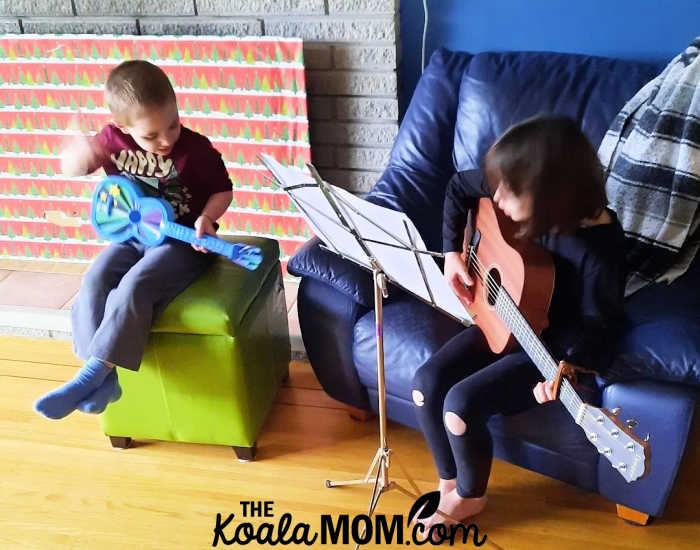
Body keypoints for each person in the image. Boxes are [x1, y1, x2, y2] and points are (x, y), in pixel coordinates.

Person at [411, 115, 626, 536]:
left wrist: (570, 365)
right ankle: (449, 483)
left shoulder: (601, 250)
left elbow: (601, 328)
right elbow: (458, 187)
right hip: (503, 315)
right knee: (425, 384)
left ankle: (471, 497)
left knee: (460, 405)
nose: (499, 197)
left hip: (545, 343)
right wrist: (452, 252)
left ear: (551, 200)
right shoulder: (513, 183)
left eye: (510, 194)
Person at [34, 60, 233, 419]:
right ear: (122, 127)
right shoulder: (111, 141)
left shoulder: (196, 149)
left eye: (172, 124)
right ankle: (103, 379)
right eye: (151, 135)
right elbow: (75, 168)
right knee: (94, 279)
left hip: (185, 242)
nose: (167, 139)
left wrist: (207, 218)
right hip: (133, 238)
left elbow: (223, 191)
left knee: (134, 285)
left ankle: (94, 375)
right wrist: (76, 152)